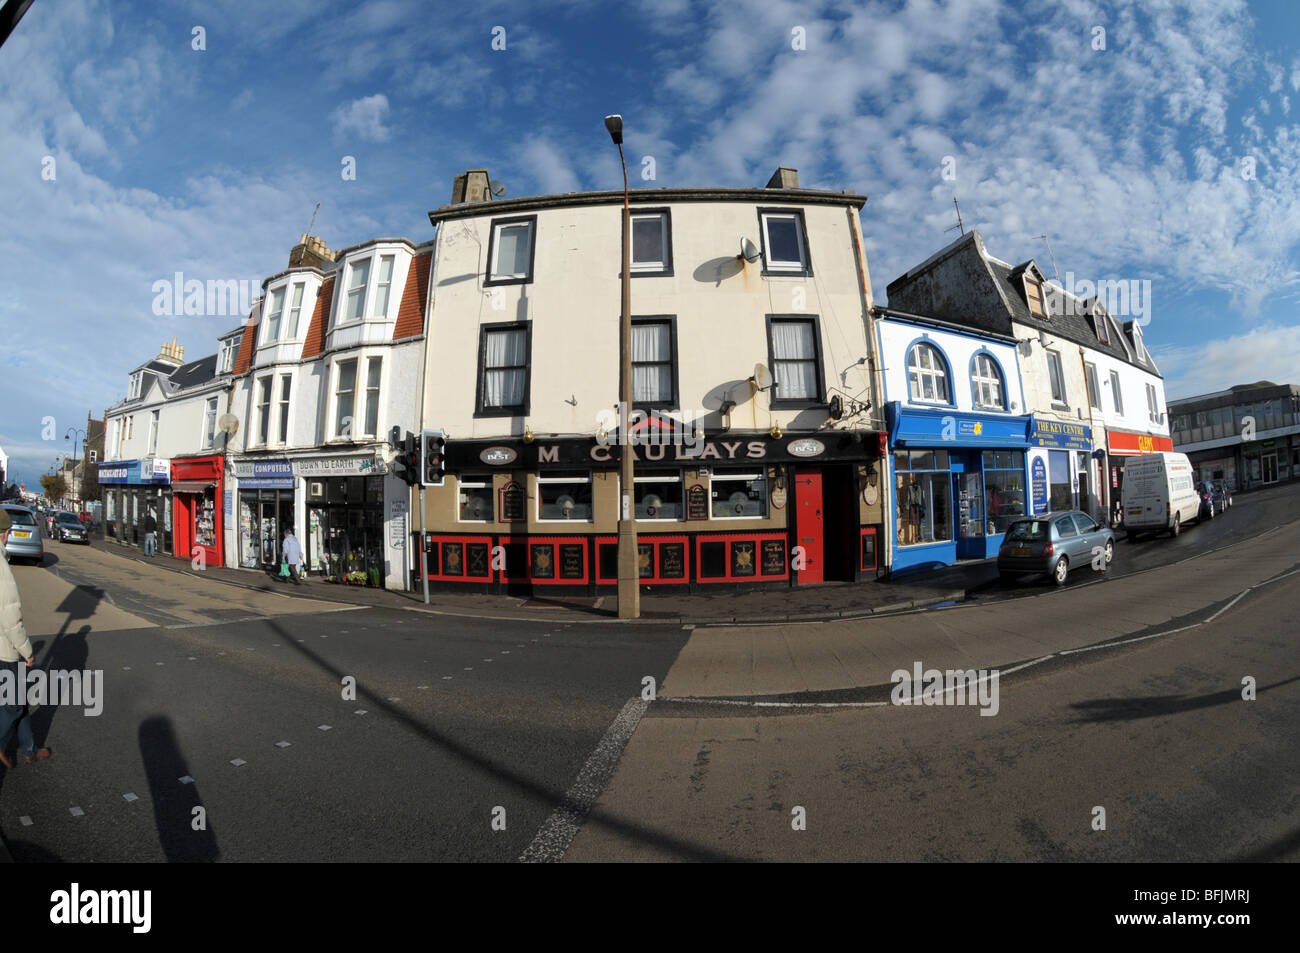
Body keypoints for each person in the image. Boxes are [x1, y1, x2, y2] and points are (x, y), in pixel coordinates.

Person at [0, 509, 51, 766]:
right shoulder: (1, 567)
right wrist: (27, 651)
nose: (9, 536)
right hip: (4, 649)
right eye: (7, 532)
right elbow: (10, 616)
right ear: (3, 533)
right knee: (12, 705)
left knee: (18, 702)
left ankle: (29, 749)